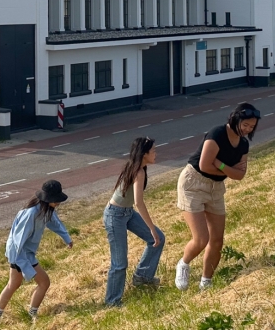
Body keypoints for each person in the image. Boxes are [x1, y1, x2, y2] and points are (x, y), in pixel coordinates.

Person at [175, 103, 259, 292]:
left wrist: (220, 165)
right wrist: (229, 169)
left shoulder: (244, 144)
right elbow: (204, 165)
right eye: (245, 125)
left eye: (252, 127)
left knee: (217, 240)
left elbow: (240, 175)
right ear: (235, 119)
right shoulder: (217, 134)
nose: (248, 130)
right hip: (193, 183)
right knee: (201, 238)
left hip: (216, 187)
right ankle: (183, 264)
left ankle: (206, 282)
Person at [0, 180, 73, 326]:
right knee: (44, 282)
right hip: (20, 254)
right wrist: (22, 263)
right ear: (49, 199)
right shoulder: (31, 213)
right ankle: (31, 313)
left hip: (25, 254)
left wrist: (66, 238)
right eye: (57, 199)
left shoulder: (45, 210)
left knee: (13, 285)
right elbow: (17, 240)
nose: (59, 201)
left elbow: (54, 222)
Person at [103, 137, 165, 306]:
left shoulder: (140, 168)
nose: (155, 153)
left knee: (158, 239)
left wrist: (153, 231)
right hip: (115, 216)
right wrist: (151, 228)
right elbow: (139, 202)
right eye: (153, 151)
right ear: (144, 154)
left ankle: (142, 277)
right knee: (120, 263)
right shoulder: (138, 171)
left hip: (127, 213)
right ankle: (112, 302)